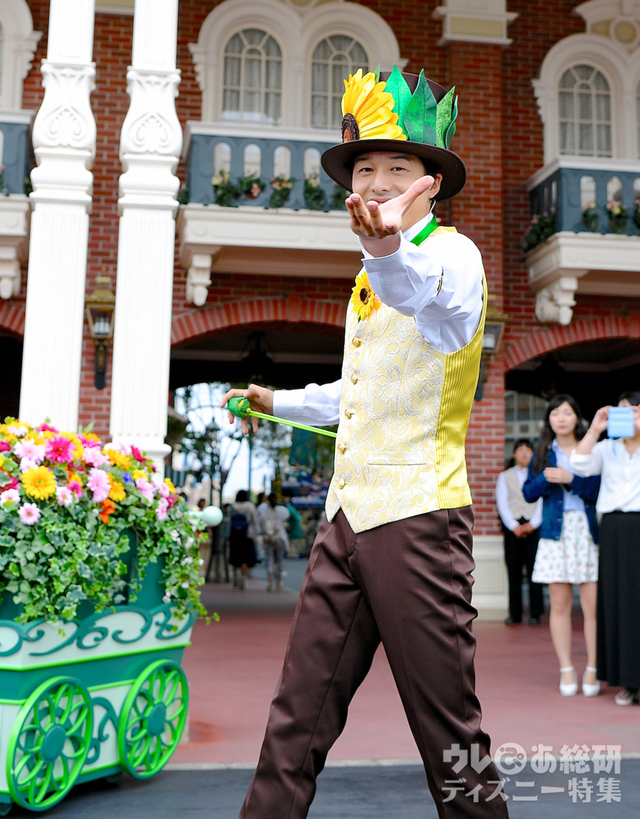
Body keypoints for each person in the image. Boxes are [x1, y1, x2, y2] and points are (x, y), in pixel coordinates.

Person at [223, 66, 507, 819]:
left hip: (417, 519)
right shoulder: (370, 271)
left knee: (449, 731)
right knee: (296, 716)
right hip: (346, 522)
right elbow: (358, 393)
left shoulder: (453, 257)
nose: (379, 181)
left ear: (432, 183)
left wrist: (387, 255)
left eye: (398, 167)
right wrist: (276, 399)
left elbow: (435, 311)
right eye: (366, 168)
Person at [523, 395, 600, 697]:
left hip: (585, 530)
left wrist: (572, 479)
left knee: (592, 606)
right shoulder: (543, 451)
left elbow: (596, 491)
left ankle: (593, 667)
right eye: (555, 413)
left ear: (577, 418)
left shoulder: (591, 449)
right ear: (549, 420)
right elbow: (528, 493)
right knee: (559, 604)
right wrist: (546, 478)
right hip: (554, 534)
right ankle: (566, 668)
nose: (561, 418)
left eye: (567, 412)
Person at [571, 391, 640, 706]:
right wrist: (596, 427)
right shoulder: (606, 448)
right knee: (620, 603)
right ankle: (628, 681)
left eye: (635, 411)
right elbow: (579, 465)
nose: (630, 416)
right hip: (614, 530)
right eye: (623, 411)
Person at [495, 440, 544, 626]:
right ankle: (514, 614)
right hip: (512, 529)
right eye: (520, 450)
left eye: (528, 450)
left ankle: (536, 613)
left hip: (534, 527)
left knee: (535, 571)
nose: (524, 454)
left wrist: (533, 523)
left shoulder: (538, 475)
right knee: (514, 572)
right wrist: (513, 525)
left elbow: (541, 501)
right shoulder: (505, 476)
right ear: (514, 454)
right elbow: (502, 502)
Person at [257, 492, 290, 591]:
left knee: (269, 559)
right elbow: (286, 519)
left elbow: (259, 526)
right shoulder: (282, 511)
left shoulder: (263, 512)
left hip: (267, 539)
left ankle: (270, 582)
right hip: (280, 538)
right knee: (279, 560)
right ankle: (279, 582)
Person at [228, 489, 258, 590]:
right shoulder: (250, 506)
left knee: (235, 557)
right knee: (245, 558)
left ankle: (235, 575)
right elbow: (254, 520)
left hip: (234, 535)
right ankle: (242, 577)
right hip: (247, 535)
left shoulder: (232, 506)